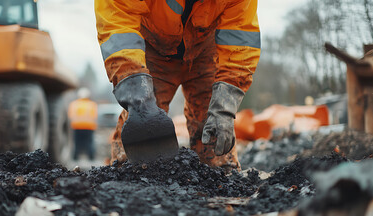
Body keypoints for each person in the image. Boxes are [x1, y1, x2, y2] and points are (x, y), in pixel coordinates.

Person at [95, 0, 260, 171]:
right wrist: (135, 88)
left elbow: (240, 38)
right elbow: (118, 23)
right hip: (153, 49)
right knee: (142, 121)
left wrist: (225, 103)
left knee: (213, 129)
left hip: (206, 51)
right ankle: (126, 176)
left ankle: (223, 178)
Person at [68, 88, 98, 160]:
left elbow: (70, 115)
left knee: (77, 143)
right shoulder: (92, 104)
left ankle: (75, 157)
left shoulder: (74, 104)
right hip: (89, 127)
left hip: (76, 126)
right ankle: (91, 157)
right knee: (89, 143)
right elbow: (95, 116)